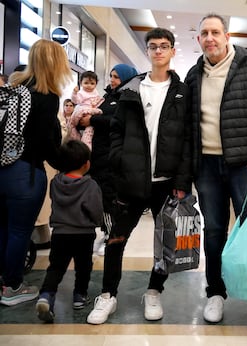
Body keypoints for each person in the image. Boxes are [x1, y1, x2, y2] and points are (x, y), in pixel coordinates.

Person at [86, 27, 192, 325]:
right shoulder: (131, 89)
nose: (158, 51)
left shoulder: (183, 93)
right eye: (153, 46)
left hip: (166, 183)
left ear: (172, 51)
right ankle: (108, 295)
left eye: (164, 46)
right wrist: (119, 163)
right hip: (130, 181)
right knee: (116, 239)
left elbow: (187, 141)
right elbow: (116, 131)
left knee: (165, 241)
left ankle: (154, 291)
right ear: (148, 52)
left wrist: (182, 182)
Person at [185, 13, 247, 334]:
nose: (209, 38)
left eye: (215, 32)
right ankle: (215, 292)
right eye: (204, 33)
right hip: (206, 167)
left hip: (243, 165)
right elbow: (187, 126)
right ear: (198, 39)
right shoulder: (194, 74)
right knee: (213, 231)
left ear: (227, 35)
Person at [0, 39, 72, 306]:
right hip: (25, 172)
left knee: (3, 228)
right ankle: (12, 287)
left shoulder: (14, 89)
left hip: (2, 167)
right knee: (20, 230)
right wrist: (69, 163)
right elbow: (45, 143)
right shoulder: (47, 96)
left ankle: (4, 281)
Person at [35, 140, 103, 323]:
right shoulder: (90, 186)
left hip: (60, 233)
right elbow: (96, 210)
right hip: (83, 234)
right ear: (86, 164)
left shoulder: (55, 182)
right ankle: (80, 296)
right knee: (83, 266)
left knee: (56, 267)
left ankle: (46, 295)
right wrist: (97, 222)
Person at [78, 64, 138, 257]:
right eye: (111, 76)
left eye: (117, 77)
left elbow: (119, 123)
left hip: (112, 158)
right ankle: (105, 233)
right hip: (97, 157)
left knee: (111, 200)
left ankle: (111, 238)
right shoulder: (106, 97)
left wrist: (93, 120)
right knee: (101, 199)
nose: (112, 80)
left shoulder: (128, 98)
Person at [69, 71, 104, 149]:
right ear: (81, 83)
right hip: (81, 110)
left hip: (91, 112)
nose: (89, 86)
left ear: (96, 84)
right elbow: (75, 101)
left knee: (90, 129)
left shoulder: (96, 93)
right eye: (86, 83)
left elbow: (98, 102)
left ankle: (86, 145)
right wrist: (74, 93)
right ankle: (75, 139)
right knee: (72, 126)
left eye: (92, 83)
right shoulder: (81, 93)